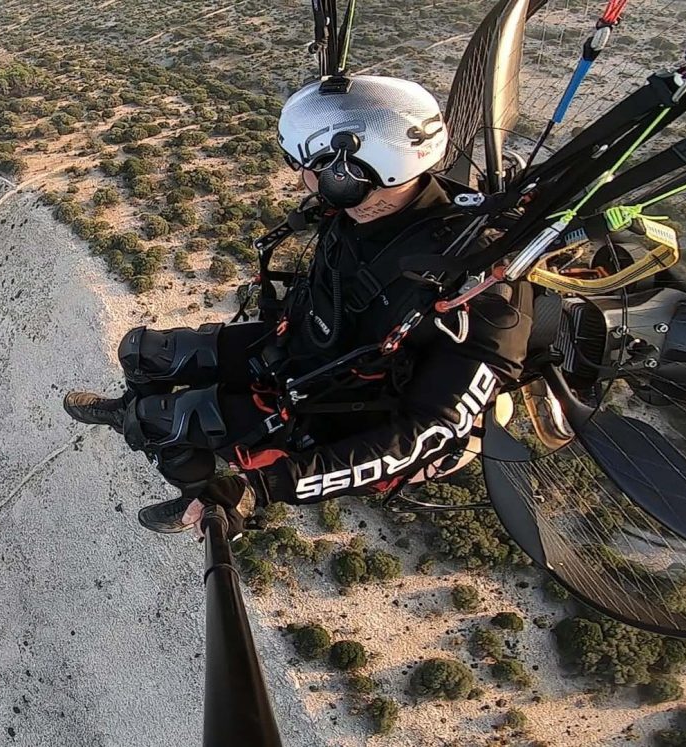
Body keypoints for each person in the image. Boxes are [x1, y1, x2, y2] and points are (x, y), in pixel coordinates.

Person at [64, 75, 533, 536]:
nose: (302, 176)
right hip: (302, 346)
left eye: (309, 166)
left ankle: (208, 502)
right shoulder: (367, 207)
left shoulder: (480, 295)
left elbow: (427, 435)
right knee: (142, 351)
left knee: (163, 423)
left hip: (335, 412)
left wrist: (261, 488)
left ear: (349, 175)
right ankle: (130, 407)